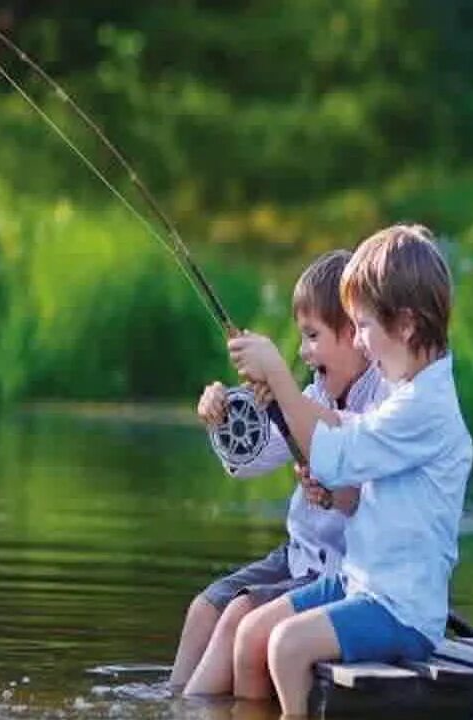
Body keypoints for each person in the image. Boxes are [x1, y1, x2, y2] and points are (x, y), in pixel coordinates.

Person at [227, 224, 473, 716]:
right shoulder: (408, 392)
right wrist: (284, 396)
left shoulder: (426, 407)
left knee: (287, 646)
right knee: (252, 632)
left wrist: (279, 374)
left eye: (363, 326)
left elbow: (335, 454)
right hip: (359, 582)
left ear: (404, 324)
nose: (359, 343)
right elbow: (343, 424)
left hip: (399, 608)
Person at [169, 250, 387, 698]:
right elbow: (252, 459)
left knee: (238, 616)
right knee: (205, 608)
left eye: (312, 336)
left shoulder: (382, 403)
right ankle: (172, 702)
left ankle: (190, 711)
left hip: (340, 573)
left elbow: (363, 488)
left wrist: (330, 485)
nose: (304, 352)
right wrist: (224, 413)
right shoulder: (313, 393)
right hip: (296, 557)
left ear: (353, 334)